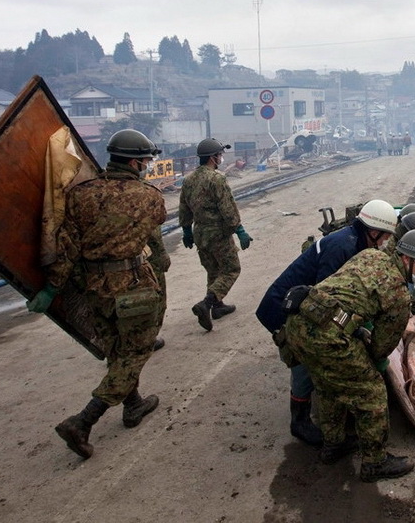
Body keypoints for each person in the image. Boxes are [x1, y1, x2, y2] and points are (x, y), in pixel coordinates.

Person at [27, 129, 166, 459]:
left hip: (94, 288)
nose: (147, 165)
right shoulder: (149, 196)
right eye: (146, 161)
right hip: (133, 285)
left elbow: (67, 248)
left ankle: (133, 404)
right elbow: (154, 233)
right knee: (136, 352)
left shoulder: (80, 194)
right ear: (134, 162)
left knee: (116, 349)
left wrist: (51, 287)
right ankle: (83, 421)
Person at [284, 229, 415, 482]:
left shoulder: (371, 255)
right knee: (372, 393)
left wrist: (354, 327)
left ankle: (333, 445)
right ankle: (375, 463)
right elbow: (382, 345)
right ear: (407, 258)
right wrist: (374, 363)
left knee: (327, 386)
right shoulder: (398, 293)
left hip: (298, 325)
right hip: (327, 338)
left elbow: (345, 291)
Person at [256, 199, 398, 446]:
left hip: (300, 303)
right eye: (384, 237)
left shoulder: (353, 241)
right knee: (304, 358)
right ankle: (299, 422)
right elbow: (326, 298)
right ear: (373, 231)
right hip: (282, 308)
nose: (385, 243)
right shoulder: (342, 247)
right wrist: (356, 329)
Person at [180, 138, 253, 331]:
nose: (221, 158)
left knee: (213, 271)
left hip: (200, 234)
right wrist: (240, 231)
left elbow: (184, 208)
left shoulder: (188, 180)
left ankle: (218, 306)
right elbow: (227, 208)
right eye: (220, 155)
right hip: (218, 234)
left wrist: (187, 231)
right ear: (213, 158)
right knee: (231, 269)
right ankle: (207, 304)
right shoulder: (216, 179)